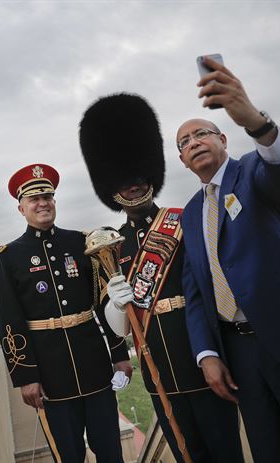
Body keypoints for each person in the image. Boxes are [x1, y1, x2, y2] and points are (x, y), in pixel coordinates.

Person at [178, 56, 280, 463]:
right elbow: (196, 292)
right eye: (184, 142)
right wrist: (206, 354)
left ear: (223, 140)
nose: (194, 142)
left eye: (202, 134)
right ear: (182, 161)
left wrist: (256, 122)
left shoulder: (252, 172)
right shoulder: (190, 215)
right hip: (240, 357)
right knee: (273, 453)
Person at [78, 93, 244, 463]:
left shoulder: (183, 220)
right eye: (124, 181)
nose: (133, 185)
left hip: (200, 357)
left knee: (226, 451)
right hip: (159, 372)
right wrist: (117, 305)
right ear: (112, 188)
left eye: (138, 177)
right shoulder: (111, 245)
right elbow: (118, 326)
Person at [0, 164, 132, 463]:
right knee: (69, 456)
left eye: (47, 196)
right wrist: (25, 376)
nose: (42, 202)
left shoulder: (80, 243)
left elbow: (104, 302)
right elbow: (9, 321)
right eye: (34, 198)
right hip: (50, 376)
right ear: (21, 208)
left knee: (111, 451)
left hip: (94, 366)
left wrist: (120, 354)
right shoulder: (9, 256)